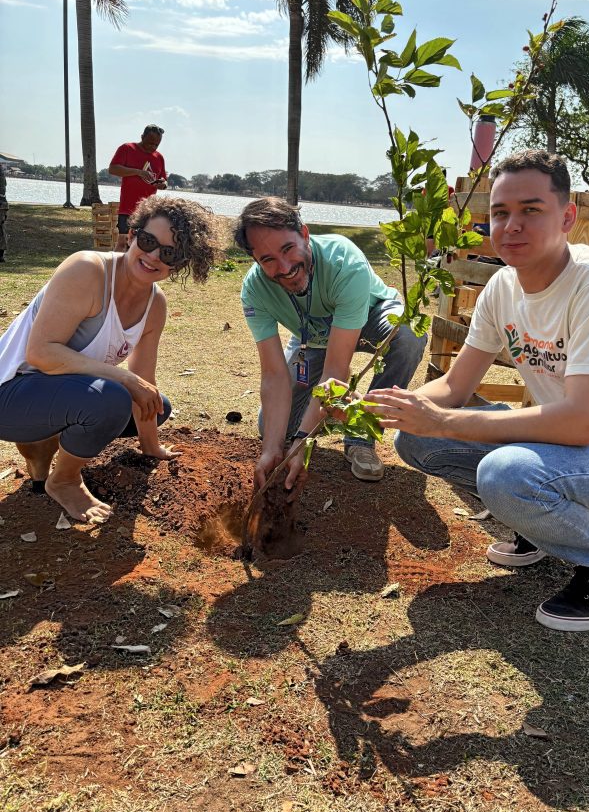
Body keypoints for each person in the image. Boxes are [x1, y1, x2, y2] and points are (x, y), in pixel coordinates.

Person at [366, 149, 589, 632]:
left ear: (567, 217)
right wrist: (378, 408)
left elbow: (580, 423)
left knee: (505, 473)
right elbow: (456, 385)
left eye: (530, 210)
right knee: (414, 438)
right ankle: (540, 526)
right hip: (566, 450)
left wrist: (445, 421)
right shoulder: (502, 287)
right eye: (500, 213)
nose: (511, 225)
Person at [0, 195, 218, 524]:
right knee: (113, 397)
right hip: (9, 394)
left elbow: (144, 378)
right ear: (131, 235)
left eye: (169, 253)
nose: (153, 255)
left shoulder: (154, 305)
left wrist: (150, 446)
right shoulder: (88, 270)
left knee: (157, 406)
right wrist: (125, 379)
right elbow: (40, 353)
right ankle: (64, 480)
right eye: (147, 241)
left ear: (179, 265)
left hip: (54, 394)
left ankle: (43, 447)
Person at [235, 197, 427, 491]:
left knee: (407, 335)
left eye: (288, 249)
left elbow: (336, 367)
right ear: (255, 260)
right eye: (268, 260)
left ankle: (360, 437)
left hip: (371, 317)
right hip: (311, 338)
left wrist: (301, 444)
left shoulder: (343, 261)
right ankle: (340, 410)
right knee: (271, 428)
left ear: (305, 234)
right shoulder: (254, 290)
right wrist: (271, 448)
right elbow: (274, 375)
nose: (285, 267)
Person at [109, 125, 168, 251]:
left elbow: (164, 179)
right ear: (142, 137)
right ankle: (114, 269)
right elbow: (113, 169)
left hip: (147, 211)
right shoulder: (127, 148)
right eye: (150, 143)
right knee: (122, 243)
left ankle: (133, 270)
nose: (153, 147)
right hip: (127, 209)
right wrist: (138, 172)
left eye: (156, 145)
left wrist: (162, 184)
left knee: (140, 246)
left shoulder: (159, 157)